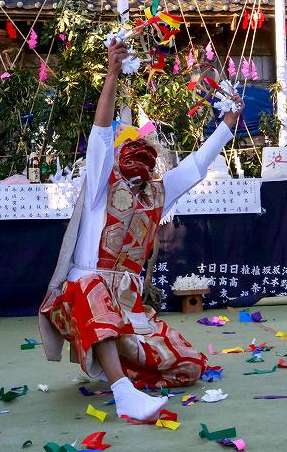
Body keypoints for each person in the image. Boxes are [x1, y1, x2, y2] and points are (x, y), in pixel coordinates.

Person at [39, 40, 242, 421]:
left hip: (128, 309)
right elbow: (99, 134)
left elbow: (197, 167)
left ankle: (119, 368)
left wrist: (227, 126)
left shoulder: (156, 194)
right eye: (130, 153)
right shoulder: (102, 184)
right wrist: (112, 73)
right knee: (90, 289)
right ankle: (123, 394)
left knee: (188, 366)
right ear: (118, 158)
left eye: (145, 156)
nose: (139, 160)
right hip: (79, 300)